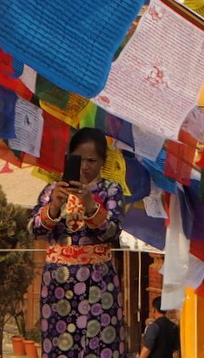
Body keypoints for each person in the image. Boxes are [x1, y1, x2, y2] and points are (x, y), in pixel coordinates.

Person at [29, 128, 124, 358]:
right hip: (58, 285)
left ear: (102, 162)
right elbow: (35, 230)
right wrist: (53, 206)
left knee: (99, 344)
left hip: (98, 283)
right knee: (60, 345)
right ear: (69, 157)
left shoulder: (111, 191)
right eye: (79, 159)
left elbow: (111, 232)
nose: (85, 167)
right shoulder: (53, 190)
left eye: (92, 160)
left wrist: (90, 204)